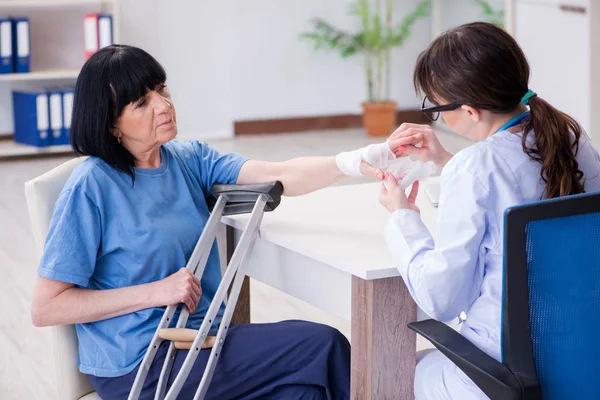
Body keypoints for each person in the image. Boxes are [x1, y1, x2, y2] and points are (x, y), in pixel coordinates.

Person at [30, 44, 404, 400]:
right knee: (323, 346)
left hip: (200, 341)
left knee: (305, 393)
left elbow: (279, 174)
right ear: (112, 124)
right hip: (142, 363)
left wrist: (356, 161)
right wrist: (155, 292)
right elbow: (47, 307)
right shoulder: (92, 185)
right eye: (143, 102)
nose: (164, 106)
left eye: (161, 90)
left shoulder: (187, 159)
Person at [378, 22, 600, 399]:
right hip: (583, 359)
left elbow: (443, 299)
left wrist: (402, 216)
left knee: (395, 372)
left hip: (504, 374)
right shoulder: (569, 135)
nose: (438, 116)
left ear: (467, 109)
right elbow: (512, 185)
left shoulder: (476, 167)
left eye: (436, 107)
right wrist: (449, 162)